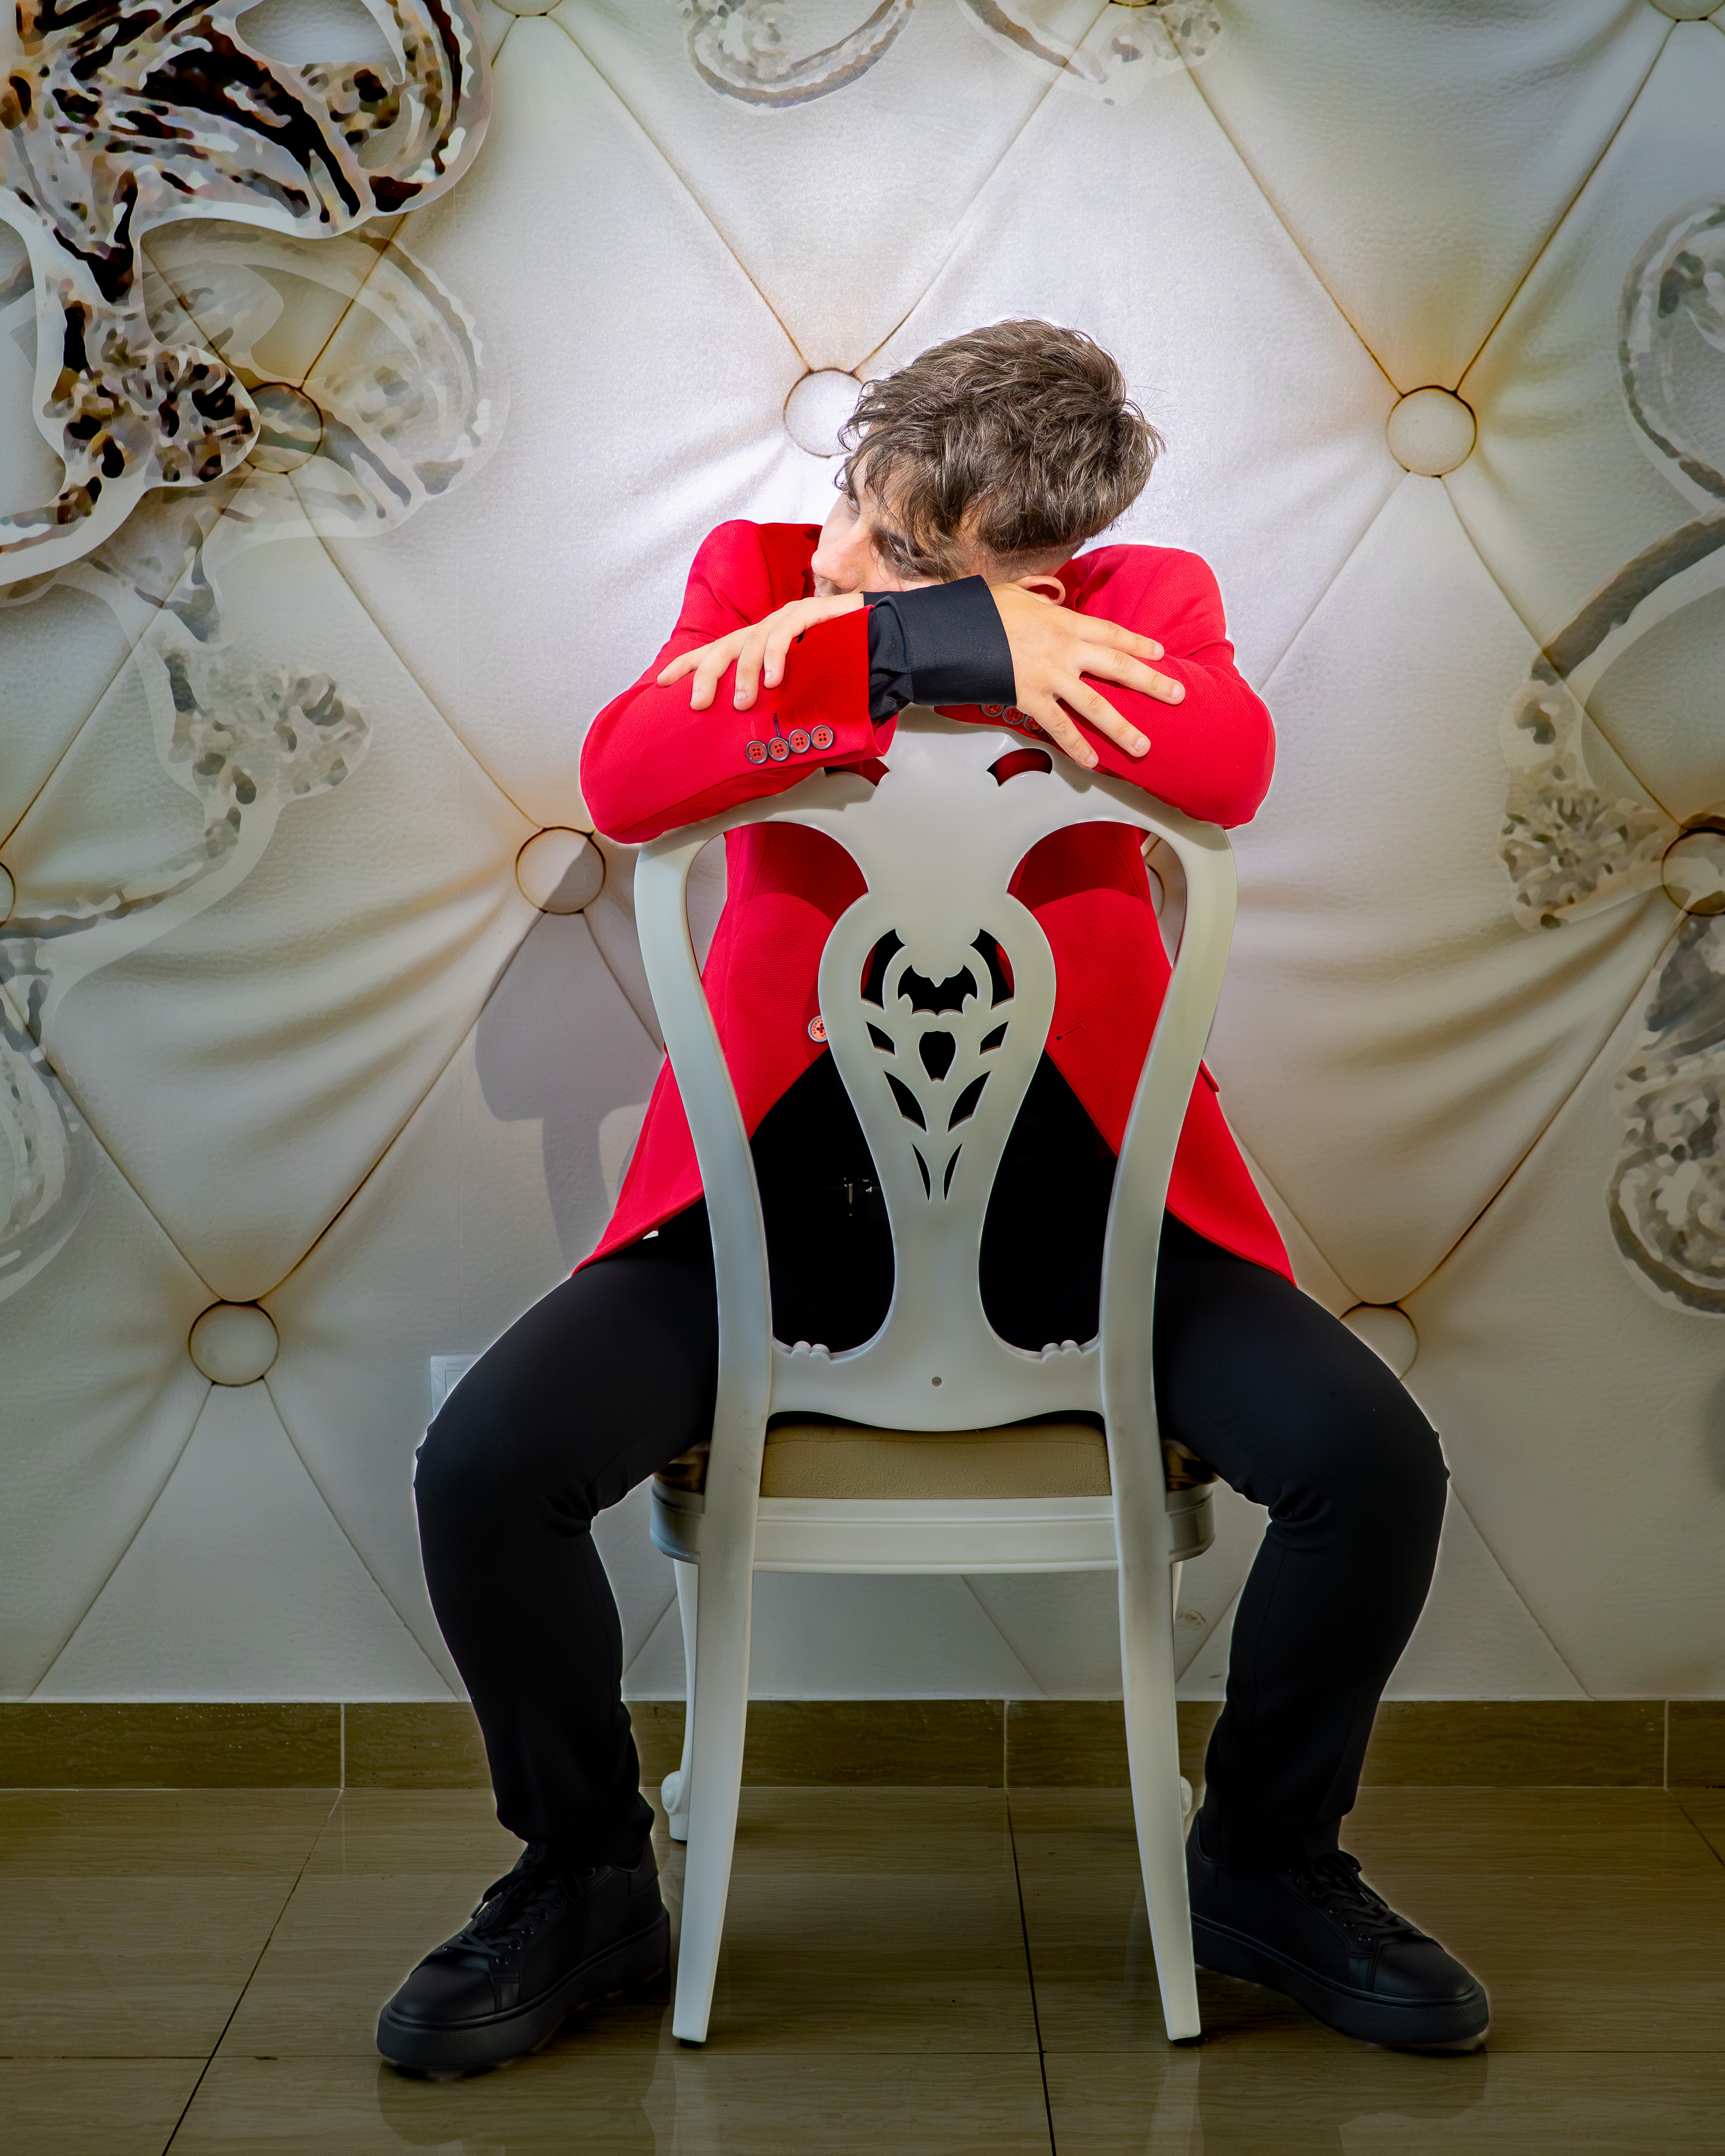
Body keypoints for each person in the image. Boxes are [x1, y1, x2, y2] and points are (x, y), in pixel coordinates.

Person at [376, 321, 1489, 2074]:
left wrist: (904, 647)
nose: (849, 565)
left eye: (926, 562)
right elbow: (628, 779)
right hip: (768, 1208)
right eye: (864, 518)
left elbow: (1225, 769)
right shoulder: (749, 577)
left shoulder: (1147, 604)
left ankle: (1266, 1866)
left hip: (1089, 1215)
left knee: (1374, 1469)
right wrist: (935, 637)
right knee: (484, 1470)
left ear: (1053, 566)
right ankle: (581, 1875)